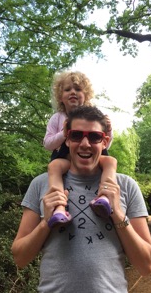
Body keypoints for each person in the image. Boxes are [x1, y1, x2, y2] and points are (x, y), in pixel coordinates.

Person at [12, 105, 151, 292]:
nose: (85, 143)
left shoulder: (127, 186)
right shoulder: (41, 184)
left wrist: (118, 214)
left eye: (95, 137)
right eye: (76, 135)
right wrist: (45, 223)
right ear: (67, 140)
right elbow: (20, 258)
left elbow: (146, 266)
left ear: (105, 142)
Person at [43, 71, 117, 228]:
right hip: (65, 160)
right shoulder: (57, 118)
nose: (73, 93)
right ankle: (59, 208)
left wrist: (108, 130)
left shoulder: (95, 116)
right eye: (68, 89)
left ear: (86, 95)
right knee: (54, 166)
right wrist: (63, 134)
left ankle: (103, 197)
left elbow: (105, 145)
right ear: (60, 96)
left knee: (110, 161)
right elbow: (48, 144)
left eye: (77, 89)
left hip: (91, 161)